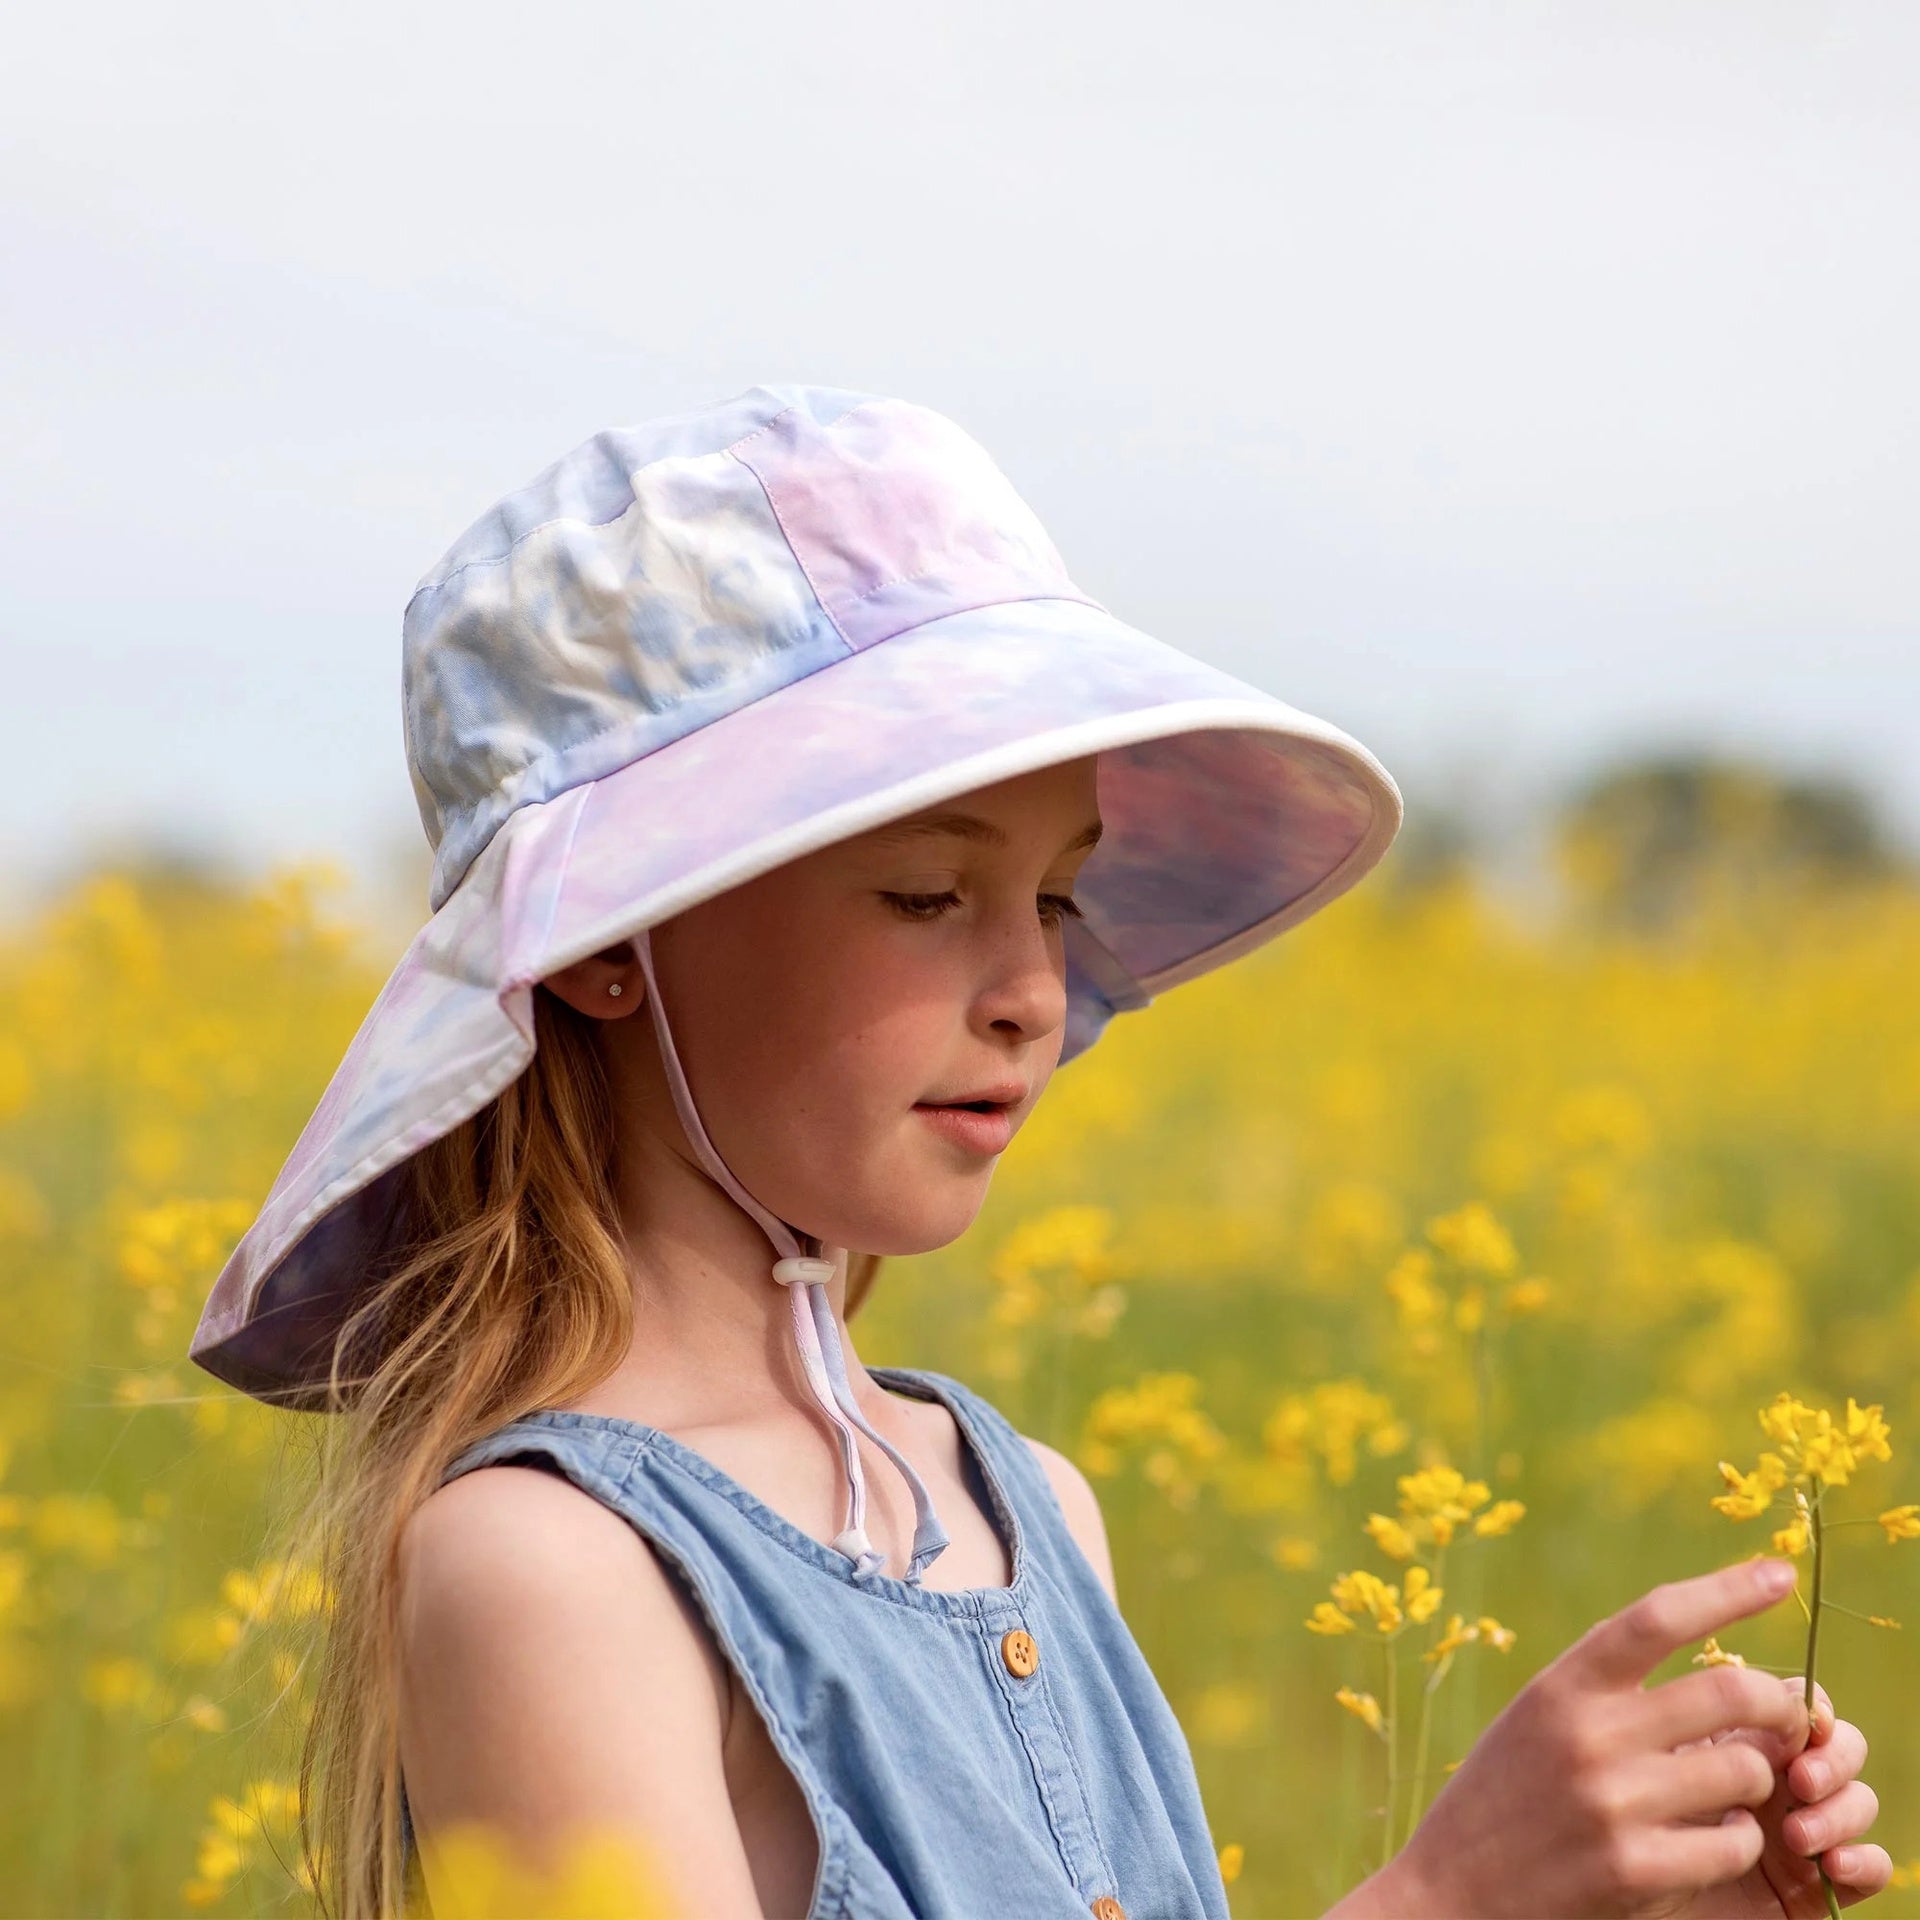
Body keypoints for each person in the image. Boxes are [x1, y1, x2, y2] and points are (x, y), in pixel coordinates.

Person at [188, 385, 1886, 1919]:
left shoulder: (1027, 1508)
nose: (1032, 991)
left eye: (1059, 897)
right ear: (609, 944)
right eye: (929, 895)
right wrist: (1443, 1899)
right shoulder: (549, 1570)